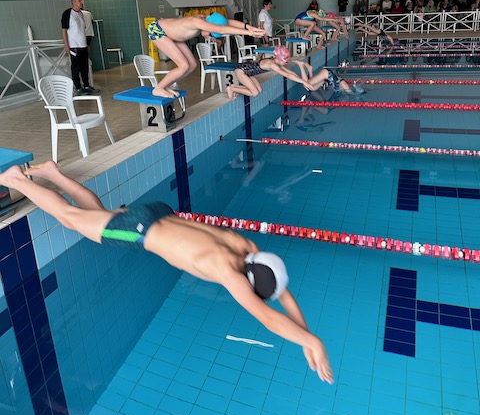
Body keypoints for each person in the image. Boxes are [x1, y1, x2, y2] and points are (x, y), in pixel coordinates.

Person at [0, 162, 334, 383]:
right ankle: (15, 179)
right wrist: (312, 341)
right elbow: (269, 318)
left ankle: (52, 173)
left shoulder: (246, 247)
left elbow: (283, 295)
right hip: (141, 230)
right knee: (70, 218)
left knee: (98, 215)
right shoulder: (227, 272)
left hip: (160, 212)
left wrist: (307, 338)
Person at [147, 14, 266, 98]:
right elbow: (221, 29)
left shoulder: (207, 19)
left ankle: (165, 85)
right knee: (184, 66)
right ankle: (158, 88)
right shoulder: (198, 22)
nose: (209, 37)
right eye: (211, 34)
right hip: (158, 30)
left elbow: (227, 22)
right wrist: (249, 33)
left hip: (172, 34)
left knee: (192, 65)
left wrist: (248, 26)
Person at [227, 45, 315, 100]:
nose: (286, 63)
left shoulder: (276, 62)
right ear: (280, 59)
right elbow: (287, 75)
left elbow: (290, 73)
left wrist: (304, 82)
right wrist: (304, 82)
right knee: (255, 93)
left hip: (248, 72)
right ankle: (231, 88)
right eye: (285, 61)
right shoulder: (272, 64)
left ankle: (235, 88)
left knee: (259, 90)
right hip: (241, 71)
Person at [61, 0, 97, 95]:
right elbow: (64, 30)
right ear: (73, 2)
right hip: (74, 46)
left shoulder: (81, 14)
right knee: (76, 68)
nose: (81, 2)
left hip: (83, 45)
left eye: (81, 0)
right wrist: (66, 45)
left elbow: (82, 31)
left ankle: (86, 85)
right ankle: (78, 87)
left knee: (84, 67)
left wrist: (87, 44)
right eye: (79, 1)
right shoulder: (68, 14)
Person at [295, 61, 363, 95]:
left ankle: (310, 69)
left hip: (326, 79)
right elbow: (352, 93)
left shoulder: (344, 87)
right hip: (326, 74)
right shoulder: (346, 87)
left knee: (312, 88)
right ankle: (301, 65)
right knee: (307, 84)